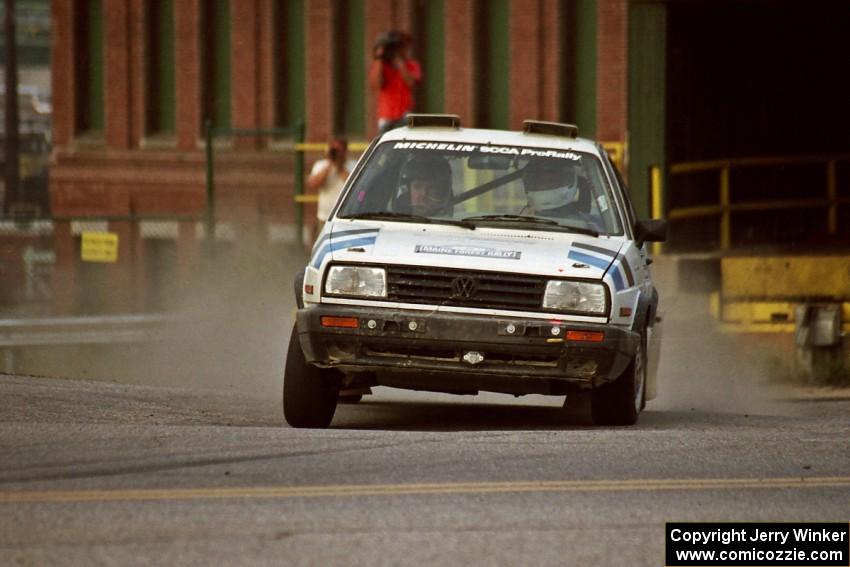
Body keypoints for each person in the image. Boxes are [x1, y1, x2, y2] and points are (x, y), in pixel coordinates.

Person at [369, 30, 421, 134]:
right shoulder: (381, 66)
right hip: (386, 115)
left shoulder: (411, 65)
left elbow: (411, 83)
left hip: (404, 114)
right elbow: (376, 84)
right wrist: (379, 57)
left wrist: (399, 62)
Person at [307, 137, 357, 237]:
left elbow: (353, 186)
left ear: (345, 151)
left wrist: (339, 167)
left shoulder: (353, 165)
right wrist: (329, 165)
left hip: (346, 219)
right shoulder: (321, 165)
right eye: (333, 150)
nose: (336, 153)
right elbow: (313, 184)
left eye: (338, 150)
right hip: (325, 217)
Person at [522, 158, 595, 225]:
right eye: (542, 181)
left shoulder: (586, 224)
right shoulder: (522, 221)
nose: (547, 184)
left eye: (552, 181)